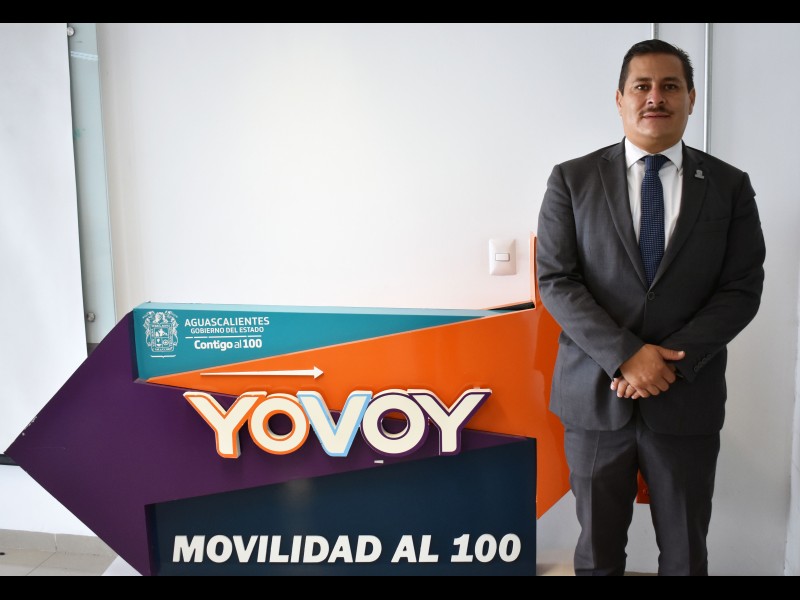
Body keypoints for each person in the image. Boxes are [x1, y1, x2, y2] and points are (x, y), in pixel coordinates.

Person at [535, 38, 766, 576]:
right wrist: (626, 356)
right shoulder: (572, 179)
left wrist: (666, 364)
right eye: (641, 86)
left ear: (691, 98)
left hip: (686, 399)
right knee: (597, 553)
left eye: (670, 86)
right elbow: (558, 281)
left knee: (686, 553)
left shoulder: (729, 186)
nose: (655, 97)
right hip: (596, 399)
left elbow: (741, 289)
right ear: (620, 99)